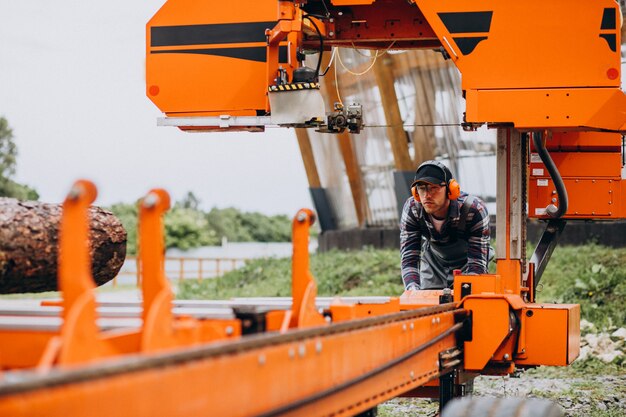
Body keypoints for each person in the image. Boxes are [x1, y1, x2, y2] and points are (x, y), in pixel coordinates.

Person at [400, 160, 491, 290]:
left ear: (451, 190)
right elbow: (409, 258)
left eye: (434, 188)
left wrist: (467, 291)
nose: (427, 195)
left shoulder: (474, 210)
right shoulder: (413, 209)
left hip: (467, 263)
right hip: (433, 263)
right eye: (421, 188)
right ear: (415, 192)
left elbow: (477, 263)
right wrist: (412, 290)